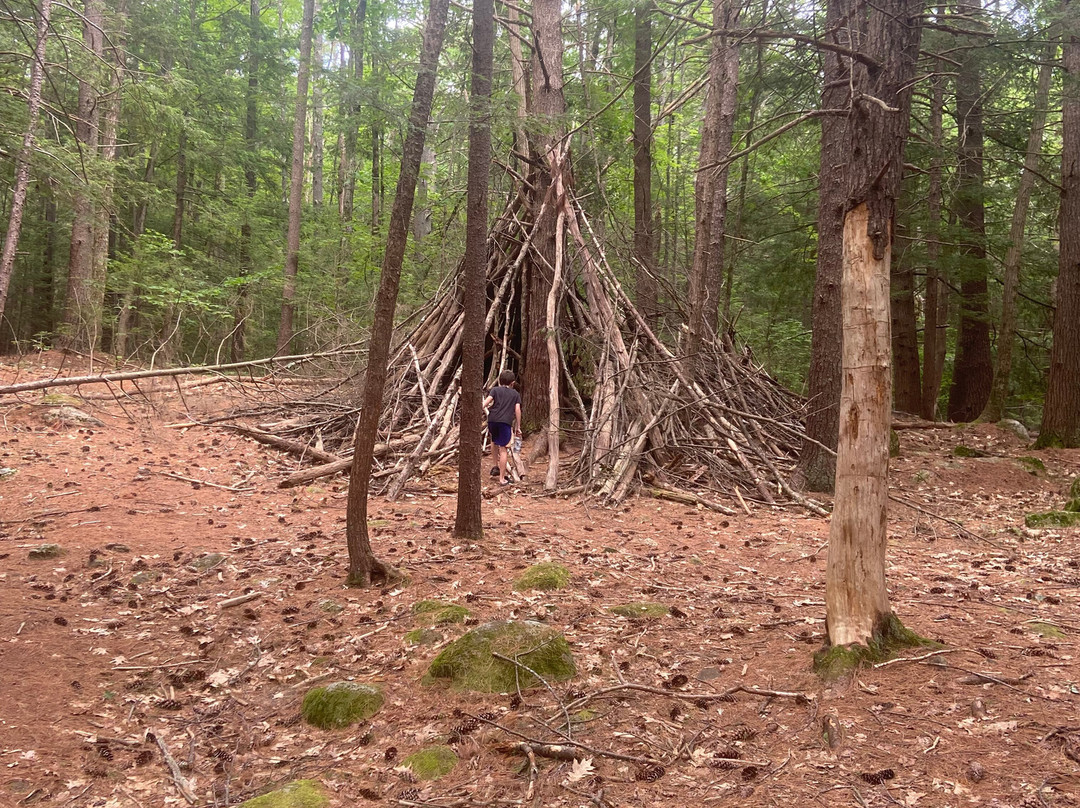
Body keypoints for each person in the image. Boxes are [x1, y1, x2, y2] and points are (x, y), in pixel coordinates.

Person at [483, 369, 521, 486]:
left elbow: (485, 403)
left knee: (494, 441)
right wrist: (518, 426)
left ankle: (495, 466)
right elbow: (517, 409)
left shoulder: (495, 390)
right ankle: (502, 479)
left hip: (492, 420)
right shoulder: (515, 394)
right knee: (503, 449)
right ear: (512, 383)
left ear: (499, 381)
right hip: (505, 422)